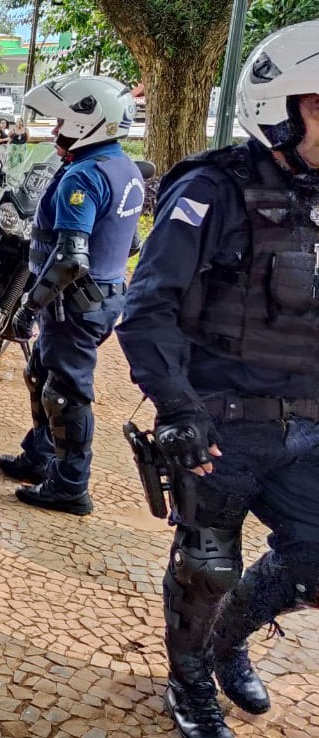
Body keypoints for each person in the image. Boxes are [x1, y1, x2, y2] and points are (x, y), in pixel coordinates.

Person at [116, 21, 319, 738]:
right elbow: (147, 306)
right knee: (207, 565)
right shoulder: (214, 187)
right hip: (223, 424)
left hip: (310, 423)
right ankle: (189, 678)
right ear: (280, 107)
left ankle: (226, 644)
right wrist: (178, 406)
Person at [0, 74, 144, 516]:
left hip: (72, 303)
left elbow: (70, 260)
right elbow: (128, 239)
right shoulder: (124, 167)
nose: (56, 129)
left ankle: (70, 484)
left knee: (65, 392)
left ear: (89, 121)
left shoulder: (84, 176)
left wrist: (29, 304)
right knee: (41, 375)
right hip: (100, 296)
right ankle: (40, 457)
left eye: (61, 121)